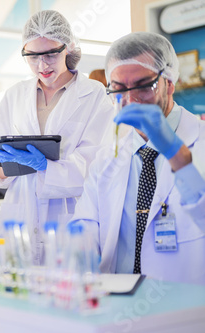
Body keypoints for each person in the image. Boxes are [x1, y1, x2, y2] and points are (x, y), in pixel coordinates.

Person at [70, 32, 205, 285]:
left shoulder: (200, 143)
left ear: (169, 83)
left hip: (187, 307)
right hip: (118, 302)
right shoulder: (106, 158)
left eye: (143, 86)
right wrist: (76, 254)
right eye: (119, 89)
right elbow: (86, 223)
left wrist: (178, 156)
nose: (131, 100)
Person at [0, 10, 113, 265]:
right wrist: (5, 166)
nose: (42, 65)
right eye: (32, 56)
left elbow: (98, 161)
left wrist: (46, 167)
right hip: (20, 211)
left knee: (67, 290)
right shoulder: (15, 95)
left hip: (69, 214)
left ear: (68, 48)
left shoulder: (95, 95)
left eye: (51, 54)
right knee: (16, 293)